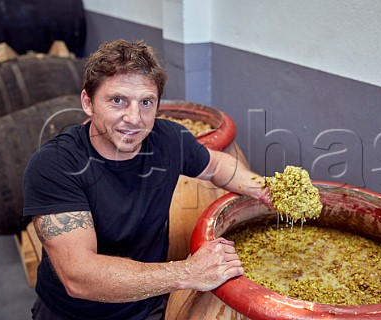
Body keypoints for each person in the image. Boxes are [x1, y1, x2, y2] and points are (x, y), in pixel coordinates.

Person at [23, 39, 271, 320]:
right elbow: (79, 276)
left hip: (147, 305)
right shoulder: (55, 164)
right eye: (118, 100)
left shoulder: (169, 139)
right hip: (73, 314)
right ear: (88, 102)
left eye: (146, 103)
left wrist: (265, 190)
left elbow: (215, 165)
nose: (134, 118)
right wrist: (188, 272)